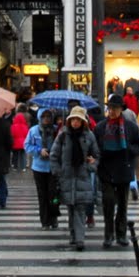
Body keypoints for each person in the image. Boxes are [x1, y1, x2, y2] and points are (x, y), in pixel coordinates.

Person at [95, 96, 139, 248]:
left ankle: (121, 234)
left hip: (124, 169)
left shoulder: (130, 127)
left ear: (121, 109)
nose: (111, 111)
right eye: (110, 108)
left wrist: (130, 150)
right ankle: (108, 234)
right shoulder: (100, 127)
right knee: (108, 202)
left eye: (115, 108)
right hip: (106, 170)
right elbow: (95, 146)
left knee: (123, 205)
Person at [49, 106, 99, 251]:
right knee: (71, 208)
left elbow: (96, 155)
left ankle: (79, 239)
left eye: (78, 119)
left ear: (83, 122)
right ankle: (73, 236)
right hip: (67, 177)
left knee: (80, 209)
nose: (75, 122)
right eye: (73, 119)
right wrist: (58, 171)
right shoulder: (63, 135)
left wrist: (91, 166)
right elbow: (54, 155)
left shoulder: (89, 136)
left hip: (82, 177)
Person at [25, 108, 60, 230]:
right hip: (39, 167)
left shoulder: (57, 130)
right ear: (40, 117)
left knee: (53, 195)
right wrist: (39, 151)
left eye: (48, 116)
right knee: (42, 195)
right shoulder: (34, 130)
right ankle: (45, 221)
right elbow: (27, 145)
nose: (46, 119)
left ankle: (54, 217)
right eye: (44, 116)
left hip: (53, 167)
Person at [10, 104, 30, 171]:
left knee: (15, 155)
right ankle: (23, 167)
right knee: (23, 155)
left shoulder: (13, 126)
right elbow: (27, 135)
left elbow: (12, 134)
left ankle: (15, 166)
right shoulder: (25, 126)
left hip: (15, 143)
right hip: (23, 143)